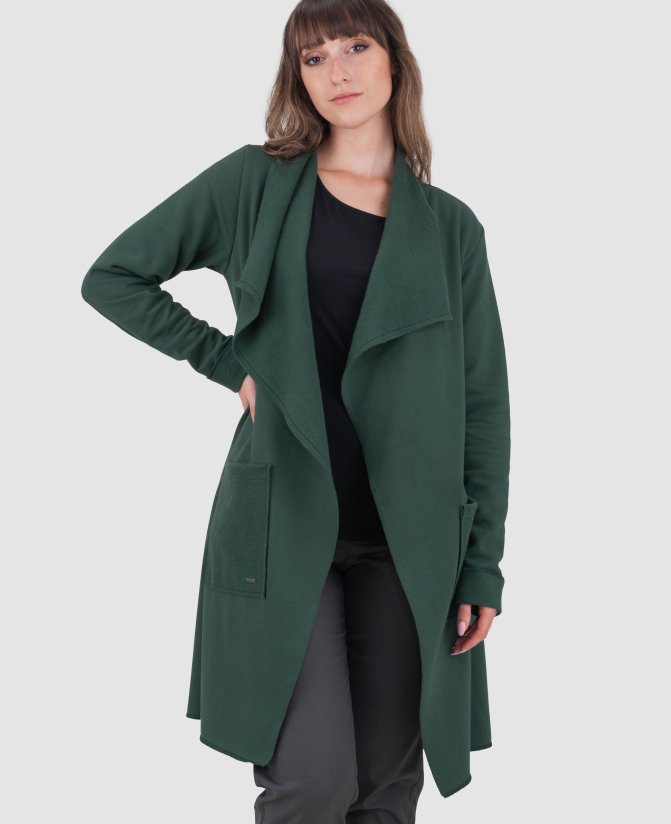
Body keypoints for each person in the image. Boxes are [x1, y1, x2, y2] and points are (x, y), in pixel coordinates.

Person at [81, 0, 511, 821]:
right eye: (313, 58)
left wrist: (481, 562)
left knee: (385, 791)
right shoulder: (256, 182)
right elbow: (115, 277)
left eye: (354, 47)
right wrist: (230, 365)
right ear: (297, 77)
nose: (336, 71)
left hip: (412, 542)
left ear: (395, 61)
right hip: (282, 524)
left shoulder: (450, 228)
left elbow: (482, 403)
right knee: (311, 784)